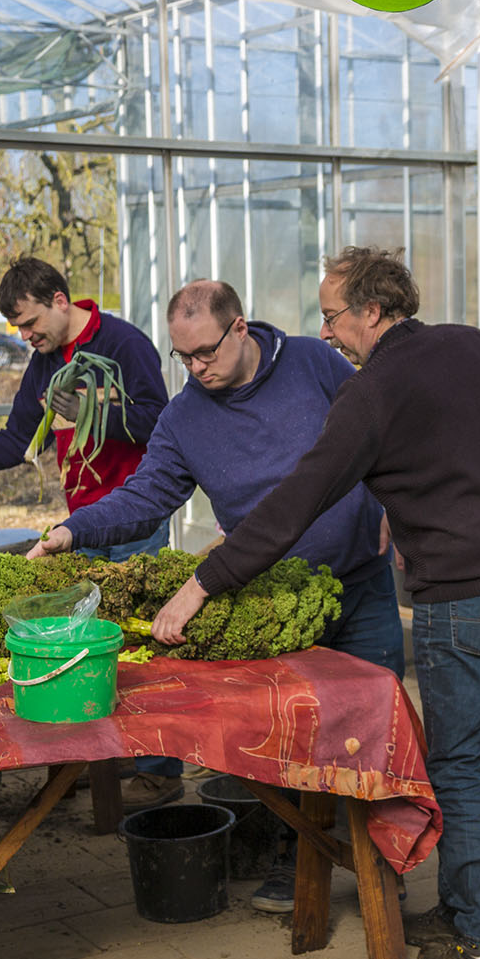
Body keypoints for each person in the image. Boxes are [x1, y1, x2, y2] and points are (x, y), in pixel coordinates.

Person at [150, 246, 480, 959]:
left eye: (333, 315)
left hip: (461, 600)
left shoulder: (372, 392)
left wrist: (200, 586)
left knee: (460, 771)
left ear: (373, 312)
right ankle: (469, 911)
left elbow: (296, 500)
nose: (325, 332)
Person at [26, 278, 403, 908]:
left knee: (376, 732)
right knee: (292, 742)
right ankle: (296, 860)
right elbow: (146, 498)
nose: (197, 369)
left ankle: (386, 864)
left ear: (239, 328)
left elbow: (384, 434)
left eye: (206, 352)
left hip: (359, 584)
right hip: (269, 607)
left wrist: (395, 505)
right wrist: (73, 529)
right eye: (184, 357)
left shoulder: (313, 362)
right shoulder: (185, 417)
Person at [0, 256, 171, 564]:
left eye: (30, 323)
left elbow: (159, 424)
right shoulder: (44, 364)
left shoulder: (124, 344)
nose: (24, 336)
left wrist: (89, 414)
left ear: (59, 300)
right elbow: (18, 439)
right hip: (82, 523)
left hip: (136, 522)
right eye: (18, 328)